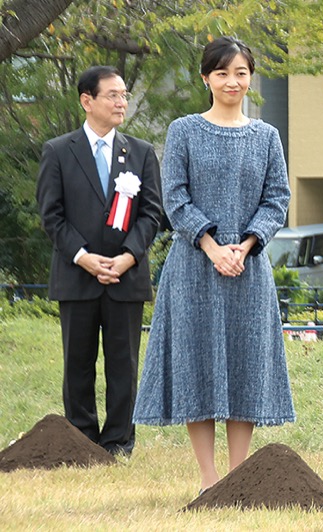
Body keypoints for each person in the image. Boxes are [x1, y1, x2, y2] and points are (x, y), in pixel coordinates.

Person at [133, 36, 293, 492]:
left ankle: (238, 477)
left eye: (241, 73)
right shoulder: (183, 130)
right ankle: (209, 480)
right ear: (206, 78)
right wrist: (210, 245)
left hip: (248, 268)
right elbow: (175, 197)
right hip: (193, 268)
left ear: (251, 78)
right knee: (196, 366)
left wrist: (244, 245)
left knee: (245, 365)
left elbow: (277, 199)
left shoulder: (267, 137)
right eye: (222, 73)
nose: (232, 81)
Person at [36, 66, 163, 457]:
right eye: (113, 95)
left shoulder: (140, 152)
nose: (121, 102)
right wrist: (83, 257)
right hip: (77, 276)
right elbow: (51, 215)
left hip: (126, 277)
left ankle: (119, 442)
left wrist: (127, 257)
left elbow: (152, 213)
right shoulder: (58, 151)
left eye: (124, 95)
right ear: (86, 100)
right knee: (78, 364)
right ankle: (82, 441)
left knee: (124, 364)